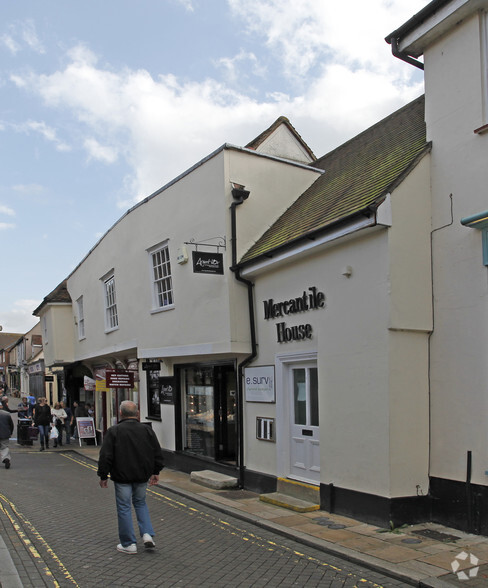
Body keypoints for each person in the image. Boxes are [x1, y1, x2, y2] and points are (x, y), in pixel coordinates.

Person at [97, 400, 164, 555]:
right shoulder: (147, 430)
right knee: (140, 503)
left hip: (122, 477)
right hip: (142, 476)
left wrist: (103, 475)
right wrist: (156, 471)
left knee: (124, 507)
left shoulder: (114, 431)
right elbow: (157, 452)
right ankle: (147, 534)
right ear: (137, 413)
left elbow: (105, 456)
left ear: (121, 413)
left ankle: (129, 544)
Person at [0, 403, 14, 469]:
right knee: (4, 447)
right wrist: (10, 432)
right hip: (5, 433)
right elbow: (11, 425)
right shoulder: (6, 414)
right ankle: (6, 458)